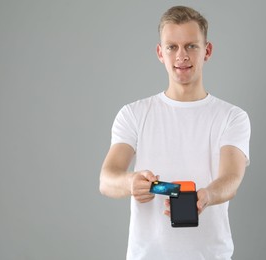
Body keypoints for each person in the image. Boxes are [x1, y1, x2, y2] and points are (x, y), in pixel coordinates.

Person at [99, 5, 251, 260]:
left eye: (191, 45)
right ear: (160, 53)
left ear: (207, 51)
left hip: (210, 255)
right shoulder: (133, 114)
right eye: (172, 47)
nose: (182, 56)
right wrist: (131, 183)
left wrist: (207, 196)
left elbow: (232, 179)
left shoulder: (232, 117)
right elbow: (106, 180)